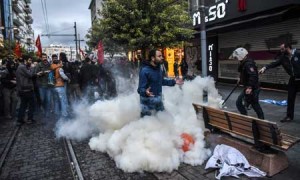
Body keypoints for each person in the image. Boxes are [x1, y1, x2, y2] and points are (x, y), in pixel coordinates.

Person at [259, 43, 300, 122]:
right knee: (290, 98)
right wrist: (265, 68)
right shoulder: (283, 58)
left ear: (288, 48)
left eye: (282, 49)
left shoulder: (298, 54)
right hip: (293, 79)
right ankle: (289, 116)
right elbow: (274, 64)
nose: (281, 51)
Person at [137, 49, 183, 117]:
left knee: (165, 121)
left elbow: (161, 81)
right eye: (159, 56)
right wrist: (146, 92)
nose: (162, 57)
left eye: (162, 56)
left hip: (158, 102)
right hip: (147, 105)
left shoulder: (159, 68)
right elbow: (140, 89)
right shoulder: (145, 71)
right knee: (147, 125)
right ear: (153, 58)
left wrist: (174, 81)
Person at [232, 47, 264, 119]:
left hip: (253, 88)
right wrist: (240, 78)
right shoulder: (244, 63)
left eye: (237, 57)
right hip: (248, 87)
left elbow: (253, 75)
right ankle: (245, 117)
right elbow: (245, 73)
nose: (236, 59)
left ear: (241, 56)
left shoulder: (248, 64)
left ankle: (262, 121)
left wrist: (249, 87)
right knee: (239, 102)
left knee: (255, 105)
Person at [16, 56, 38, 125]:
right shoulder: (22, 67)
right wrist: (33, 67)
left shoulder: (22, 67)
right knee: (32, 105)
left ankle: (20, 120)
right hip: (26, 89)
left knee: (23, 105)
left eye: (31, 61)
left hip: (24, 89)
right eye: (29, 60)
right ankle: (29, 119)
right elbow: (30, 75)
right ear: (25, 60)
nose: (30, 62)